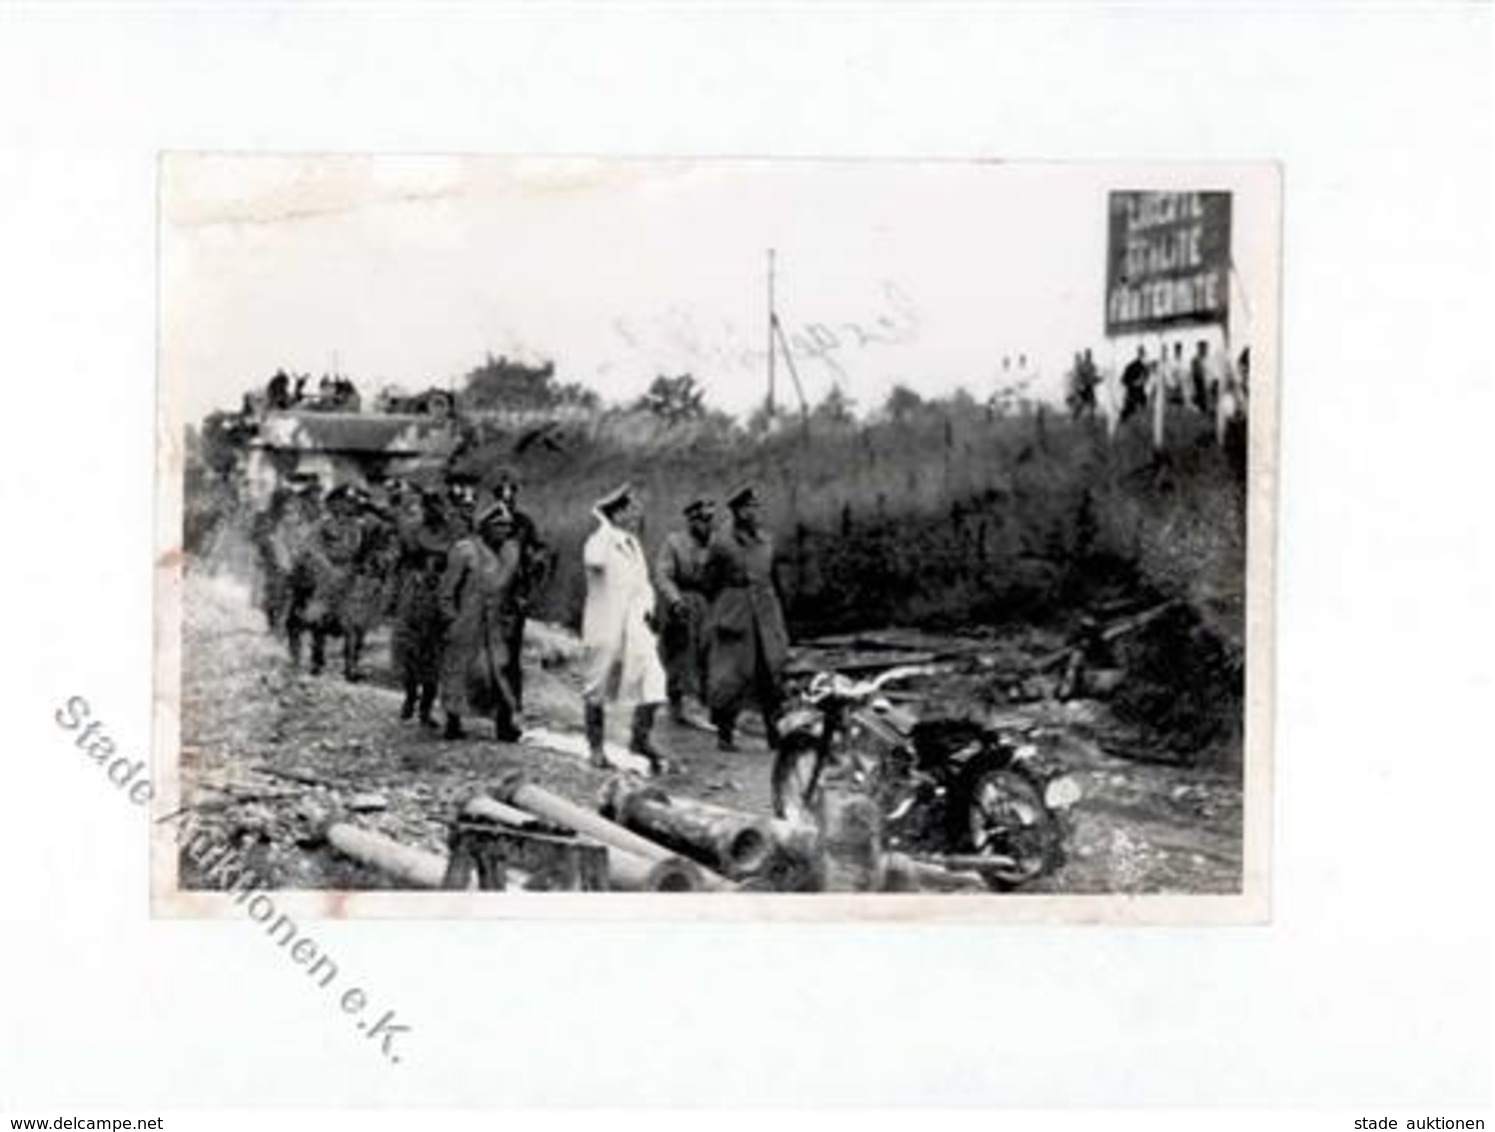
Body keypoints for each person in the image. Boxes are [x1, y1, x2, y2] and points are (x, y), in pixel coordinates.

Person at [580, 484, 670, 774]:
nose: (634, 514)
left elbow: (643, 584)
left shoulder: (632, 544)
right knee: (597, 687)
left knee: (654, 682)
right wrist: (604, 525)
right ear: (616, 514)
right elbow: (594, 561)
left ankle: (639, 739)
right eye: (628, 509)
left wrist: (649, 610)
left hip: (635, 625)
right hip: (605, 624)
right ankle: (595, 749)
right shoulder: (599, 540)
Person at [702, 484, 790, 753]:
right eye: (749, 508)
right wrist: (725, 606)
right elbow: (709, 582)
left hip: (765, 614)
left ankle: (775, 732)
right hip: (735, 616)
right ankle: (725, 734)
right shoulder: (721, 541)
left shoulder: (766, 539)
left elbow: (774, 579)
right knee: (729, 677)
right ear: (737, 511)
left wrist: (779, 617)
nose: (754, 512)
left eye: (756, 507)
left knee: (771, 674)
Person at [438, 499, 522, 741]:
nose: (503, 531)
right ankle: (453, 721)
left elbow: (513, 588)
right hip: (467, 619)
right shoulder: (465, 550)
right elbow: (446, 590)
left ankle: (504, 724)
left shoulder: (510, 552)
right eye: (498, 525)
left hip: (496, 623)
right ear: (484, 527)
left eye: (507, 526)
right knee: (459, 669)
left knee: (499, 672)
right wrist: (451, 619)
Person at [390, 487, 456, 727]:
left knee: (434, 655)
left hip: (441, 591)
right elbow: (402, 558)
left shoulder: (452, 532)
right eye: (430, 506)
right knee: (410, 649)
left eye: (439, 505)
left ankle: (426, 710)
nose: (436, 510)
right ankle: (409, 696)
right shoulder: (413, 530)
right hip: (415, 590)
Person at [492, 471, 550, 721]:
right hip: (490, 595)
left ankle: (508, 715)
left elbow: (539, 552)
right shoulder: (487, 523)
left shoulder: (524, 523)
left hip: (514, 597)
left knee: (512, 657)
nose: (508, 500)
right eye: (503, 495)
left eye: (511, 494)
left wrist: (534, 573)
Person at [655, 497, 717, 724]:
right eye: (701, 520)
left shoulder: (715, 544)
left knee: (709, 650)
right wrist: (675, 600)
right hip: (682, 601)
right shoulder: (674, 542)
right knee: (681, 652)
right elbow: (663, 576)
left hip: (707, 602)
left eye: (709, 520)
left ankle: (705, 702)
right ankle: (679, 702)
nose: (706, 525)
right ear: (691, 521)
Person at [1120, 346, 1150, 421]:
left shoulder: (1145, 368)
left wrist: (1142, 380)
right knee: (1126, 417)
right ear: (1138, 353)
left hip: (1140, 396)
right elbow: (1123, 380)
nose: (1143, 355)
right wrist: (1134, 383)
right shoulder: (1131, 366)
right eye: (1141, 352)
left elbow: (1145, 380)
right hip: (1132, 396)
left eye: (1143, 353)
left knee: (1141, 417)